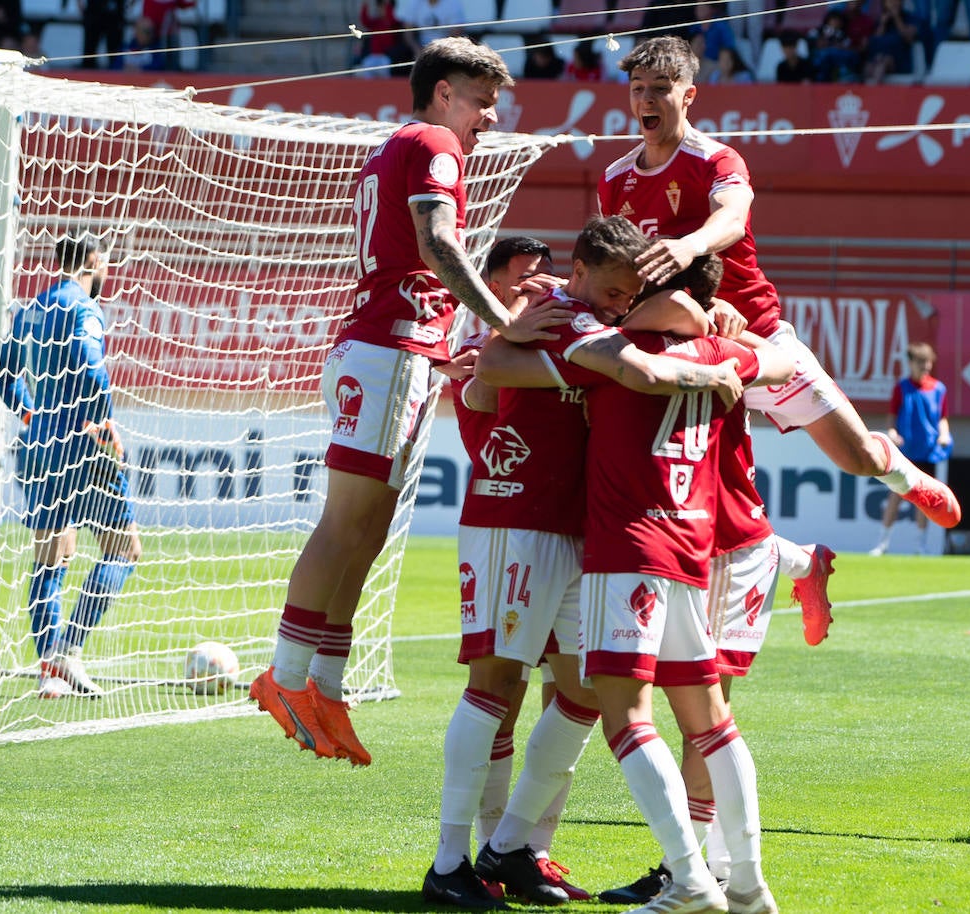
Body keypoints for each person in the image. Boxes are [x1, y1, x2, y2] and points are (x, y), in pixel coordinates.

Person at [248, 37, 569, 768]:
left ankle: (323, 684)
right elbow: (436, 244)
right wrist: (502, 320)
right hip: (387, 347)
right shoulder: (431, 142)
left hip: (402, 350)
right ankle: (286, 676)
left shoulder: (398, 145)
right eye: (482, 101)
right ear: (442, 92)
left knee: (369, 529)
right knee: (346, 522)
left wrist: (439, 350)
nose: (489, 117)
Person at [475, 216, 793, 914]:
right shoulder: (717, 346)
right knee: (711, 722)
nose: (614, 300)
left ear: (647, 288)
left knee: (623, 717)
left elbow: (491, 369)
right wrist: (715, 344)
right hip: (689, 549)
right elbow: (782, 363)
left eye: (627, 289)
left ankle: (689, 881)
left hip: (626, 549)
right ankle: (747, 882)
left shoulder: (602, 345)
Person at [598, 37, 961, 569]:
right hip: (678, 346)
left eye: (660, 89)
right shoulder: (615, 179)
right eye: (638, 90)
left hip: (757, 339)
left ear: (689, 94)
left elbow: (733, 211)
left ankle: (905, 474)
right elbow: (614, 262)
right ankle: (803, 567)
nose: (647, 100)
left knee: (856, 457)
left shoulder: (715, 159)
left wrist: (691, 243)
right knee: (704, 505)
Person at [424, 237, 594, 909]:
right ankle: (458, 860)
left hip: (579, 531)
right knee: (500, 693)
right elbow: (488, 410)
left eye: (544, 277)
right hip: (514, 523)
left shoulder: (564, 325)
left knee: (584, 693)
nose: (536, 287)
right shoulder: (486, 361)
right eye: (521, 280)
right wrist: (503, 341)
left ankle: (520, 848)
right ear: (486, 286)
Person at [0, 231, 142, 699]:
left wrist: (31, 412)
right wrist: (105, 421)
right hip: (84, 441)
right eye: (106, 265)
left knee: (50, 556)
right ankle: (68, 649)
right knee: (124, 548)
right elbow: (91, 368)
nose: (107, 274)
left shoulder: (32, 309)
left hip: (40, 445)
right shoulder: (84, 308)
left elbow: (1, 373)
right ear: (94, 262)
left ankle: (49, 673)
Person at [870, 342, 953, 556]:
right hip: (905, 453)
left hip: (928, 452)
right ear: (910, 363)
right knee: (895, 497)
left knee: (924, 502)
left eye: (928, 362)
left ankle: (920, 546)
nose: (925, 366)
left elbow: (942, 418)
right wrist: (892, 432)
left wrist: (944, 434)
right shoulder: (902, 387)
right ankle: (883, 544)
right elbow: (892, 417)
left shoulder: (939, 389)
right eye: (920, 362)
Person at [863, 0, 925, 84]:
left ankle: (873, 91)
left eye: (896, 0)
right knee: (868, 66)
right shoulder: (880, 20)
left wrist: (897, 18)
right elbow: (875, 41)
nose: (893, 3)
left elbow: (908, 38)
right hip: (877, 58)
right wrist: (883, 24)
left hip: (900, 61)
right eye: (889, 1)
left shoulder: (911, 18)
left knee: (882, 64)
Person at [74, 0, 126, 69]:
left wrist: (129, 6)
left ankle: (116, 76)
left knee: (114, 53)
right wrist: (79, 3)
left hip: (115, 13)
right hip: (94, 11)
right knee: (89, 51)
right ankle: (86, 75)